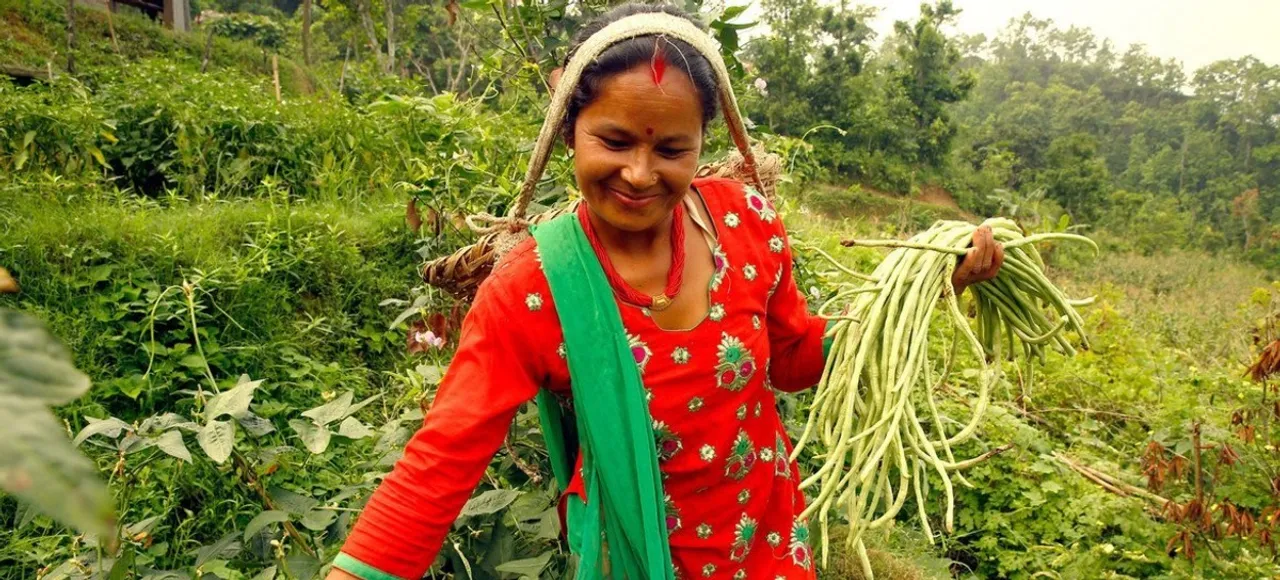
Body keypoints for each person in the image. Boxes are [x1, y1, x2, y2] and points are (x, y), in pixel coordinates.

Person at [327, 4, 1002, 579]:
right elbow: (440, 461)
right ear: (569, 131)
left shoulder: (745, 224)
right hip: (638, 556)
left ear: (703, 141)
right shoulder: (534, 290)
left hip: (767, 543)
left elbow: (791, 358)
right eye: (613, 140)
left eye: (672, 149)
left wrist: (923, 285)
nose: (640, 173)